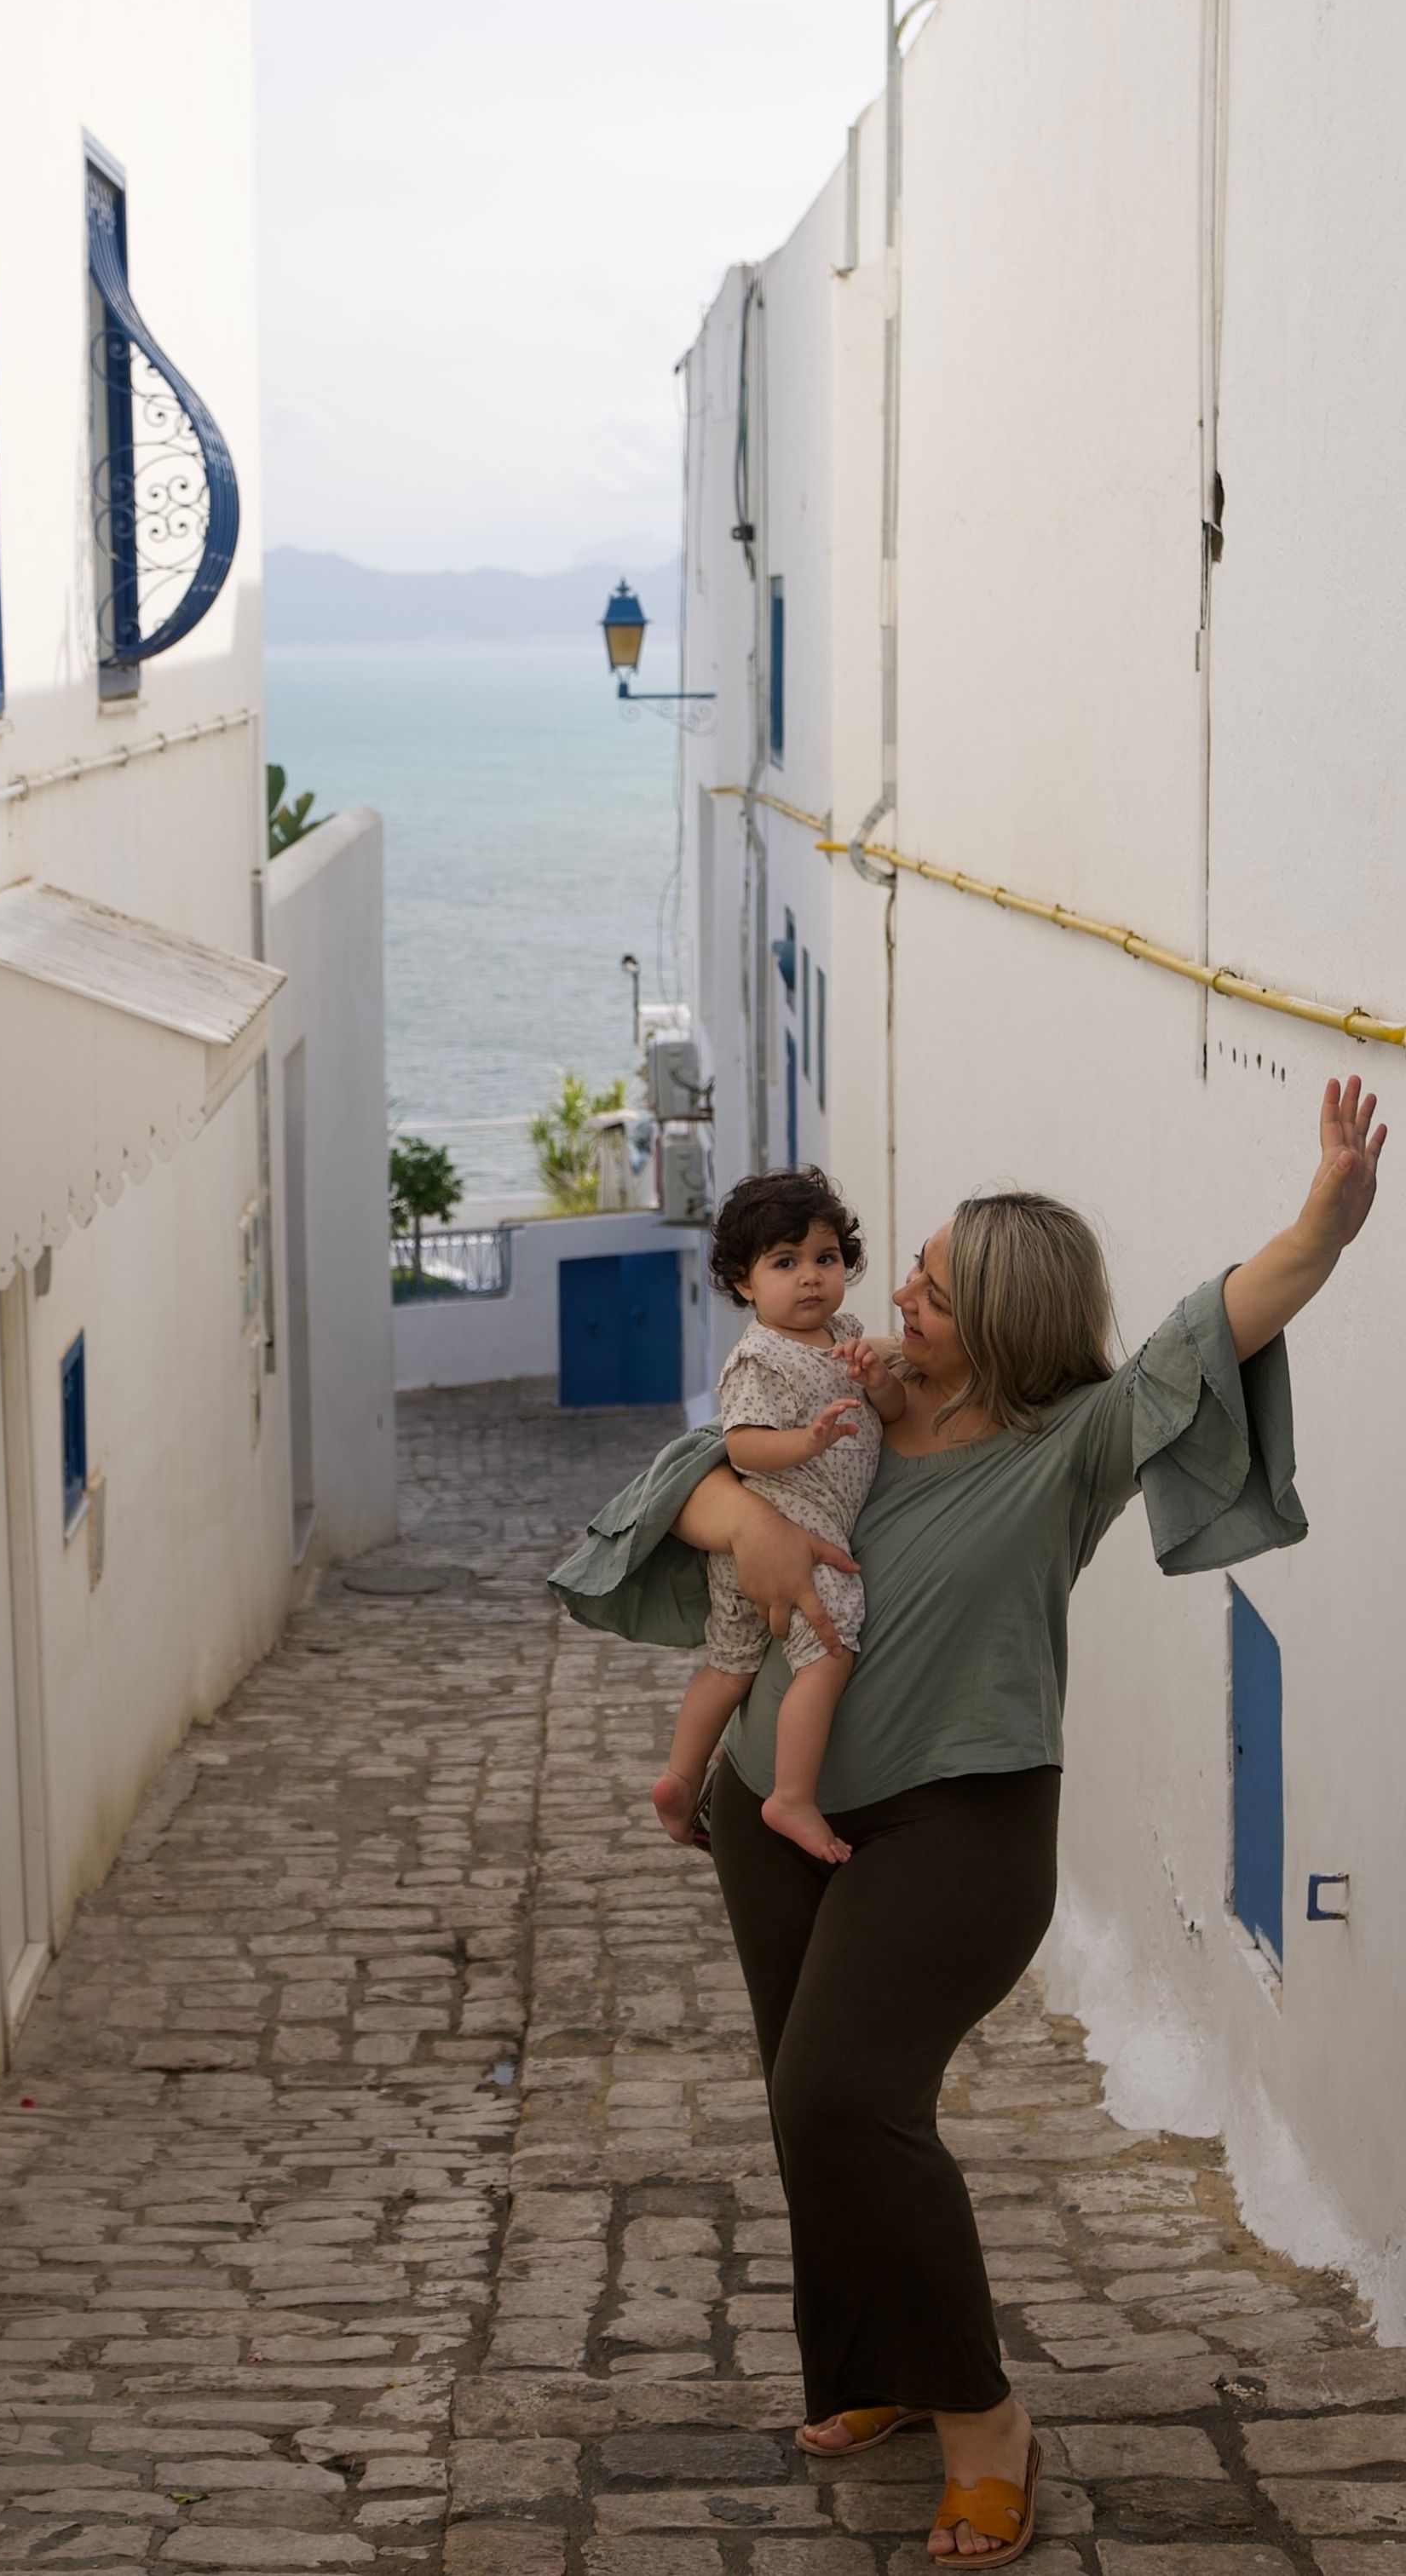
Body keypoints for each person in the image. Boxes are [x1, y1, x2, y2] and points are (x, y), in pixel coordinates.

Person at [551, 1078, 1386, 2568]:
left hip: (959, 1819)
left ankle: (982, 2417)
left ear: (995, 1314)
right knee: (810, 2103)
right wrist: (738, 1518)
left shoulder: (1069, 1443)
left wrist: (1320, 1226)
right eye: (909, 1272)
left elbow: (1219, 1324)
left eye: (929, 1284)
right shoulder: (840, 1395)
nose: (895, 1293)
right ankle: (865, 2367)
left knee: (839, 2093)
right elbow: (681, 1479)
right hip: (768, 1806)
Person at [653, 1167, 905, 1863]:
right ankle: (791, 1795)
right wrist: (811, 1441)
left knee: (730, 1666)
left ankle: (679, 1778)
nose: (810, 1279)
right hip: (791, 1533)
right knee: (830, 1650)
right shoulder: (758, 1360)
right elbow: (744, 1447)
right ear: (743, 1282)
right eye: (784, 1263)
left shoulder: (847, 1336)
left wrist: (881, 1383)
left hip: (773, 1539)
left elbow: (894, 1414)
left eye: (825, 1259)